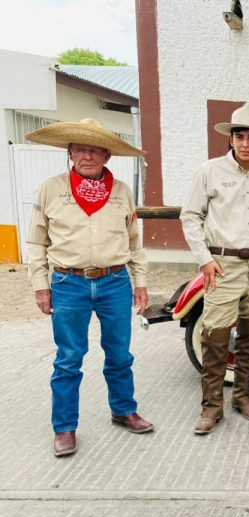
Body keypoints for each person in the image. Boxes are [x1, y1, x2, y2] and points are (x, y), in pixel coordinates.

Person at [26, 118, 154, 457]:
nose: (87, 155)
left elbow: (134, 242)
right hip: (68, 283)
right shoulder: (51, 189)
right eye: (80, 148)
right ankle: (65, 428)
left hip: (115, 281)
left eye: (94, 149)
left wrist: (140, 282)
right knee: (68, 359)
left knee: (120, 355)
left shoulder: (122, 191)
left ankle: (123, 409)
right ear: (70, 153)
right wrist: (41, 286)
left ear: (106, 155)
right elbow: (36, 242)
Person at [180, 102, 249, 435]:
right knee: (214, 335)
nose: (245, 143)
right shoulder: (209, 171)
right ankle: (212, 407)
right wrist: (204, 259)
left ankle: (243, 397)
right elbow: (190, 216)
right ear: (230, 139)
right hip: (221, 263)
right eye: (239, 136)